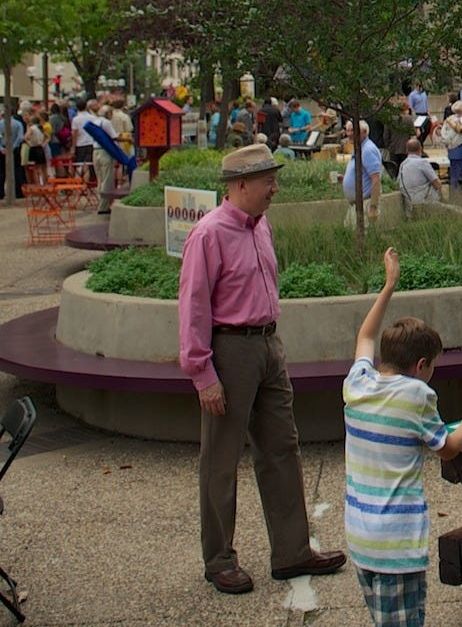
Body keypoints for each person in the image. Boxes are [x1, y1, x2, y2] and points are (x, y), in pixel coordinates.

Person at [178, 145, 346, 595]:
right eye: (268, 180)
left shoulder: (260, 225)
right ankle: (219, 560)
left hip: (268, 344)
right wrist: (203, 373)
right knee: (221, 459)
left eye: (275, 178)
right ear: (239, 186)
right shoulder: (209, 234)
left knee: (283, 447)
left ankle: (292, 553)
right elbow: (193, 307)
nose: (275, 188)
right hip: (230, 352)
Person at [344, 246, 462, 627]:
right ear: (421, 365)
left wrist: (389, 284)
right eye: (433, 367)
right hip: (397, 544)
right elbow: (447, 450)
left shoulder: (357, 382)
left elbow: (365, 335)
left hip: (360, 538)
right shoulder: (418, 395)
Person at [343, 120, 384, 226]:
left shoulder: (368, 150)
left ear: (364, 132)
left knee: (365, 237)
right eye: (348, 130)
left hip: (366, 204)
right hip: (356, 205)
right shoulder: (359, 148)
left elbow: (376, 178)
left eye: (353, 130)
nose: (349, 134)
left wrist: (373, 207)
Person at [399, 138, 453, 215]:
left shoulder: (402, 165)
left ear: (406, 151)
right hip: (427, 203)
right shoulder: (422, 163)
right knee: (457, 211)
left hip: (410, 205)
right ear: (421, 149)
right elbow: (438, 184)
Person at [441, 101, 462, 189]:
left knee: (454, 175)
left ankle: (454, 193)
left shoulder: (448, 120)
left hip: (451, 150)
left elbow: (443, 135)